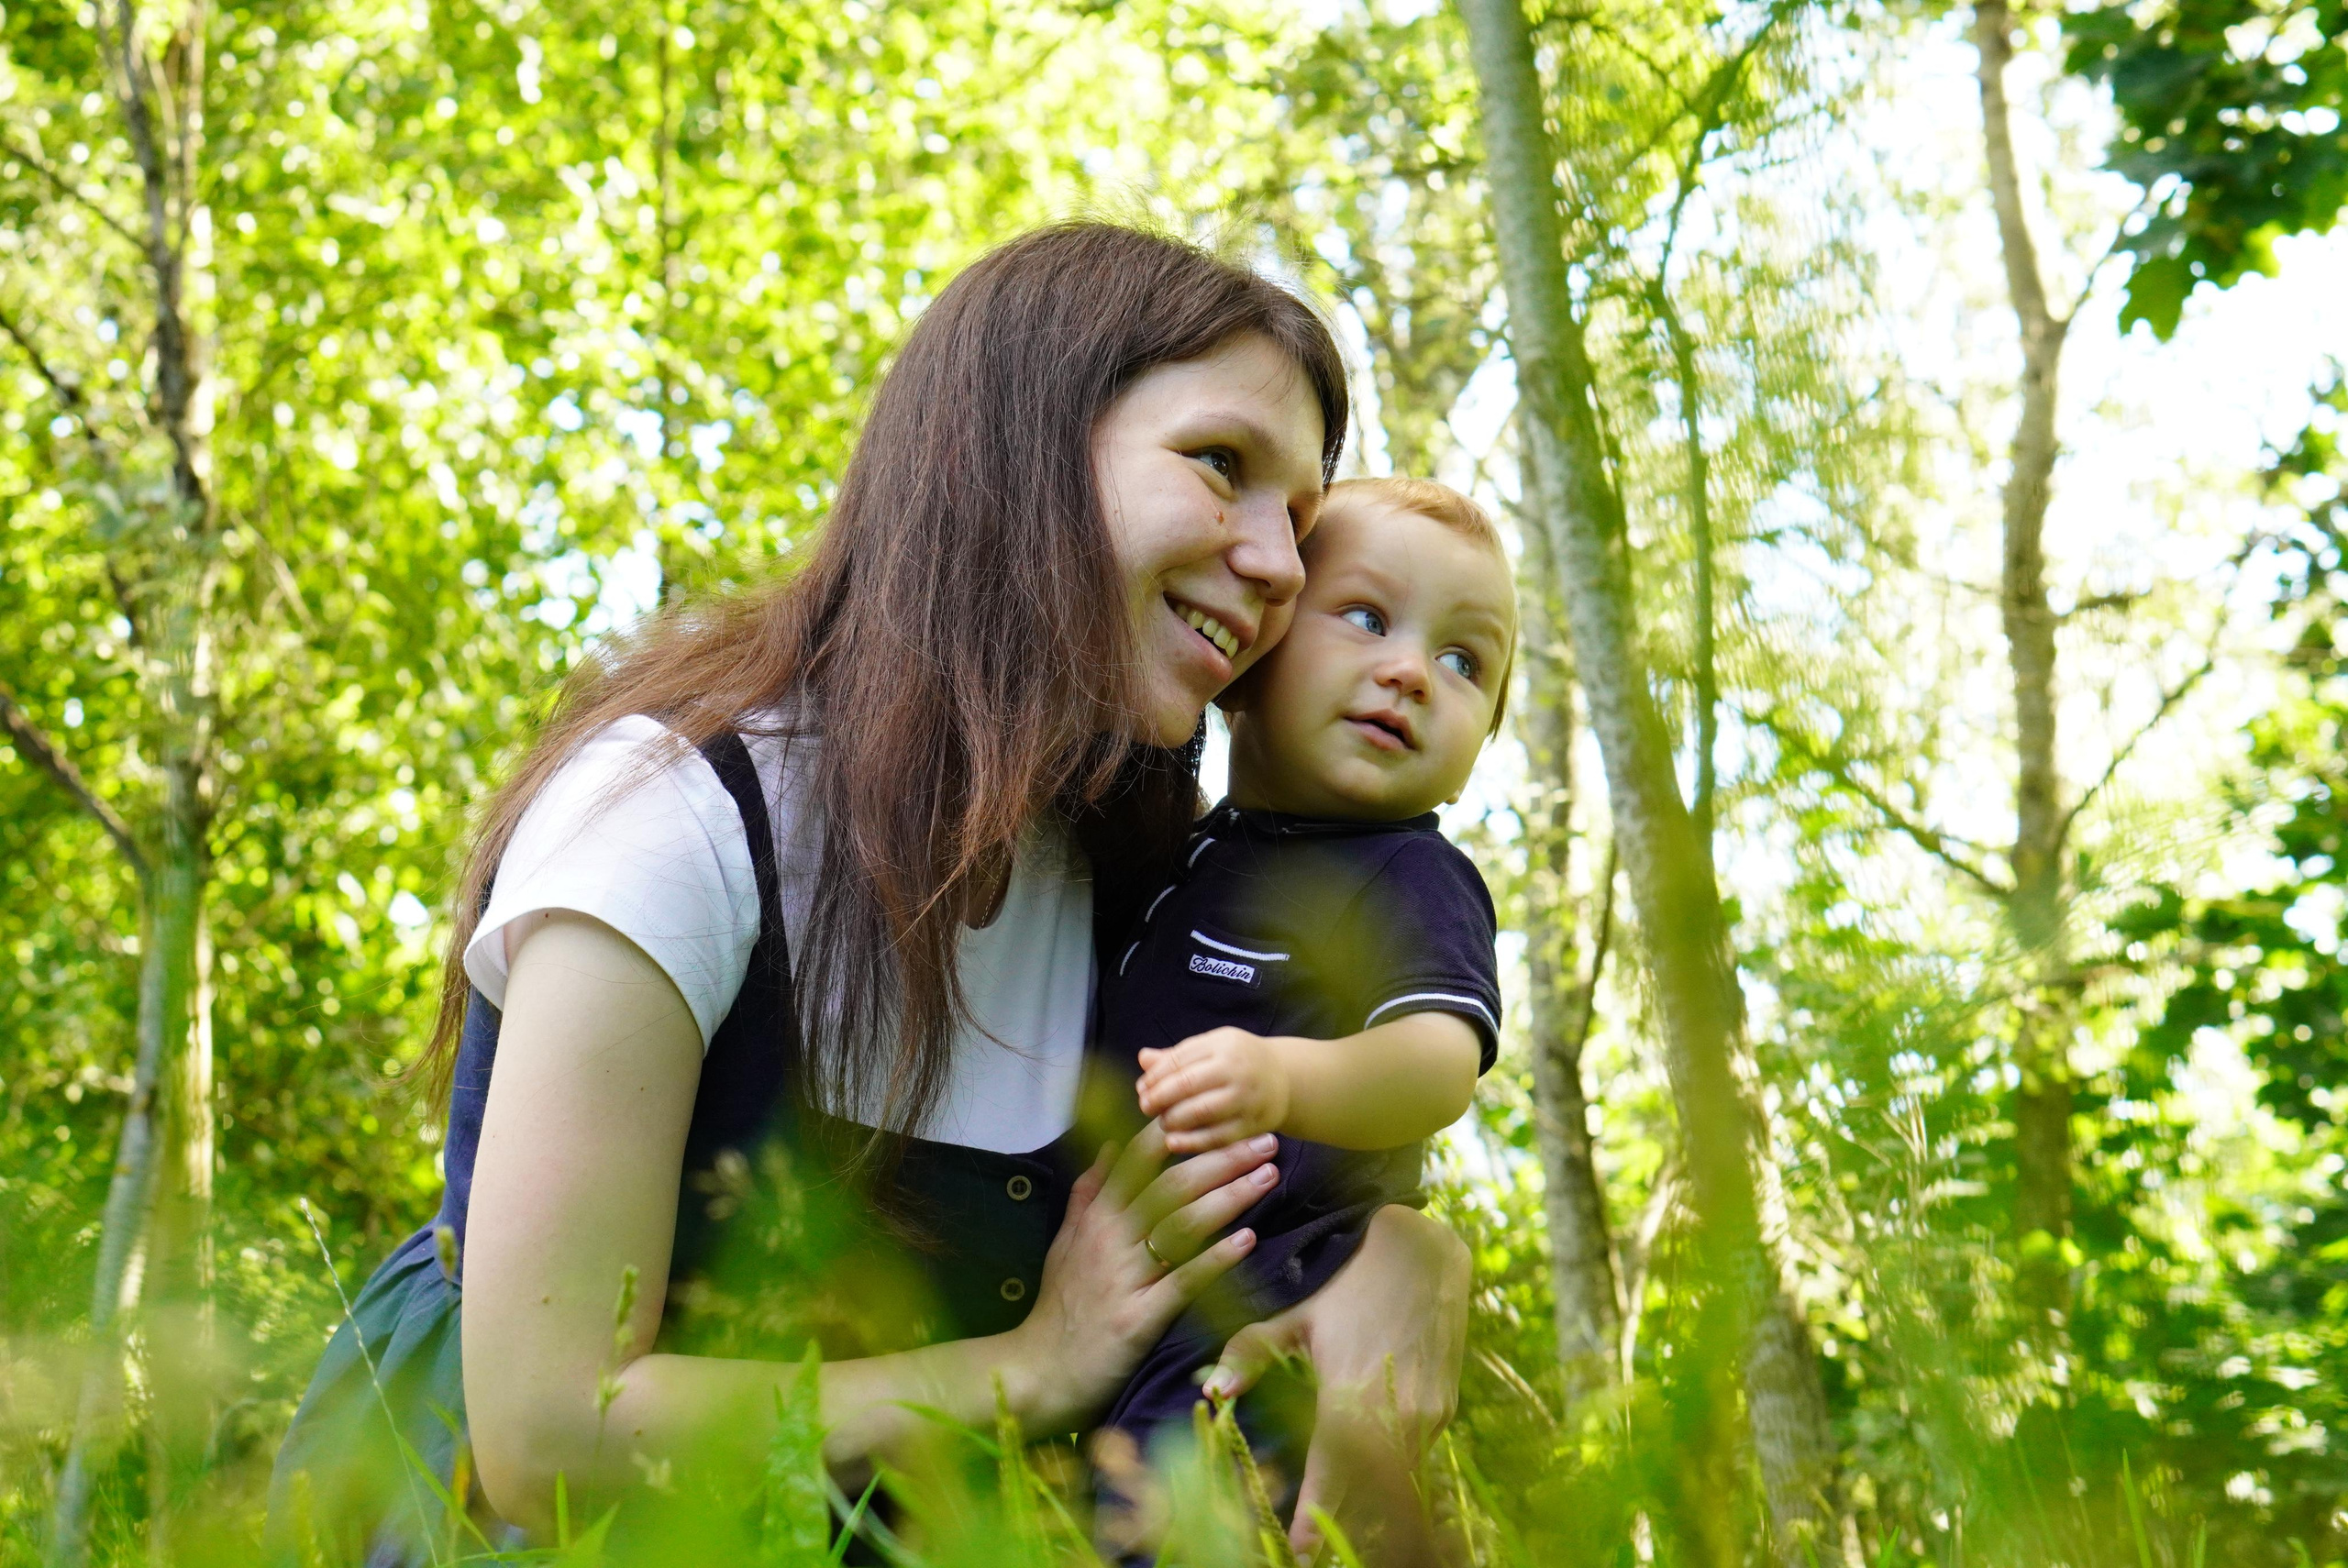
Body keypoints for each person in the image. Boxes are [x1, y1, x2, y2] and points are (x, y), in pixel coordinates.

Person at [267, 224, 1471, 1565]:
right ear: (1021, 443)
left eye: (1302, 521)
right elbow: (543, 1434)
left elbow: (1307, 1153)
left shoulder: (1131, 867)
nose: (1281, 567)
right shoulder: (681, 814)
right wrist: (1033, 1362)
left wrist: (1411, 1258)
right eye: (1221, 466)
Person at [1090, 478, 1514, 1562]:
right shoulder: (1186, 846)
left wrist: (1286, 1079)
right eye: (1366, 618)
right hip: (1133, 1301)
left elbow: (1437, 1063)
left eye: (1467, 662)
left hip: (1276, 1300)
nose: (1412, 671)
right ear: (1245, 664)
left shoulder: (1408, 874)